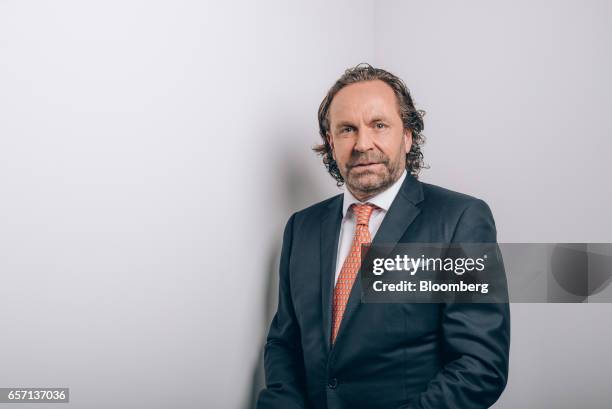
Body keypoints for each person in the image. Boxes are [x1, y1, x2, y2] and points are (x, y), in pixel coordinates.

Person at [256, 63, 510, 409]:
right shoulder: (301, 227)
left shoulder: (460, 220)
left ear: (407, 136)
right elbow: (284, 344)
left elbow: (480, 367)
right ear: (331, 143)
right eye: (347, 129)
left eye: (379, 125)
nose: (363, 144)